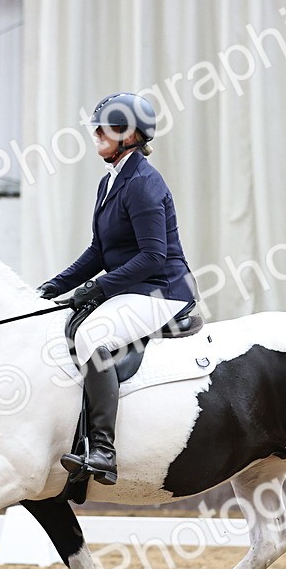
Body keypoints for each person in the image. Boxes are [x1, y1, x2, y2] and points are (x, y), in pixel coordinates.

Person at [37, 92, 196, 486]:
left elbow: (153, 256)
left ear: (128, 135)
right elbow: (99, 251)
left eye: (103, 129)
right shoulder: (109, 182)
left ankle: (103, 451)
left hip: (162, 291)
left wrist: (98, 288)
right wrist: (52, 287)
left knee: (93, 335)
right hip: (133, 288)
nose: (95, 134)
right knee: (66, 324)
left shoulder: (143, 183)